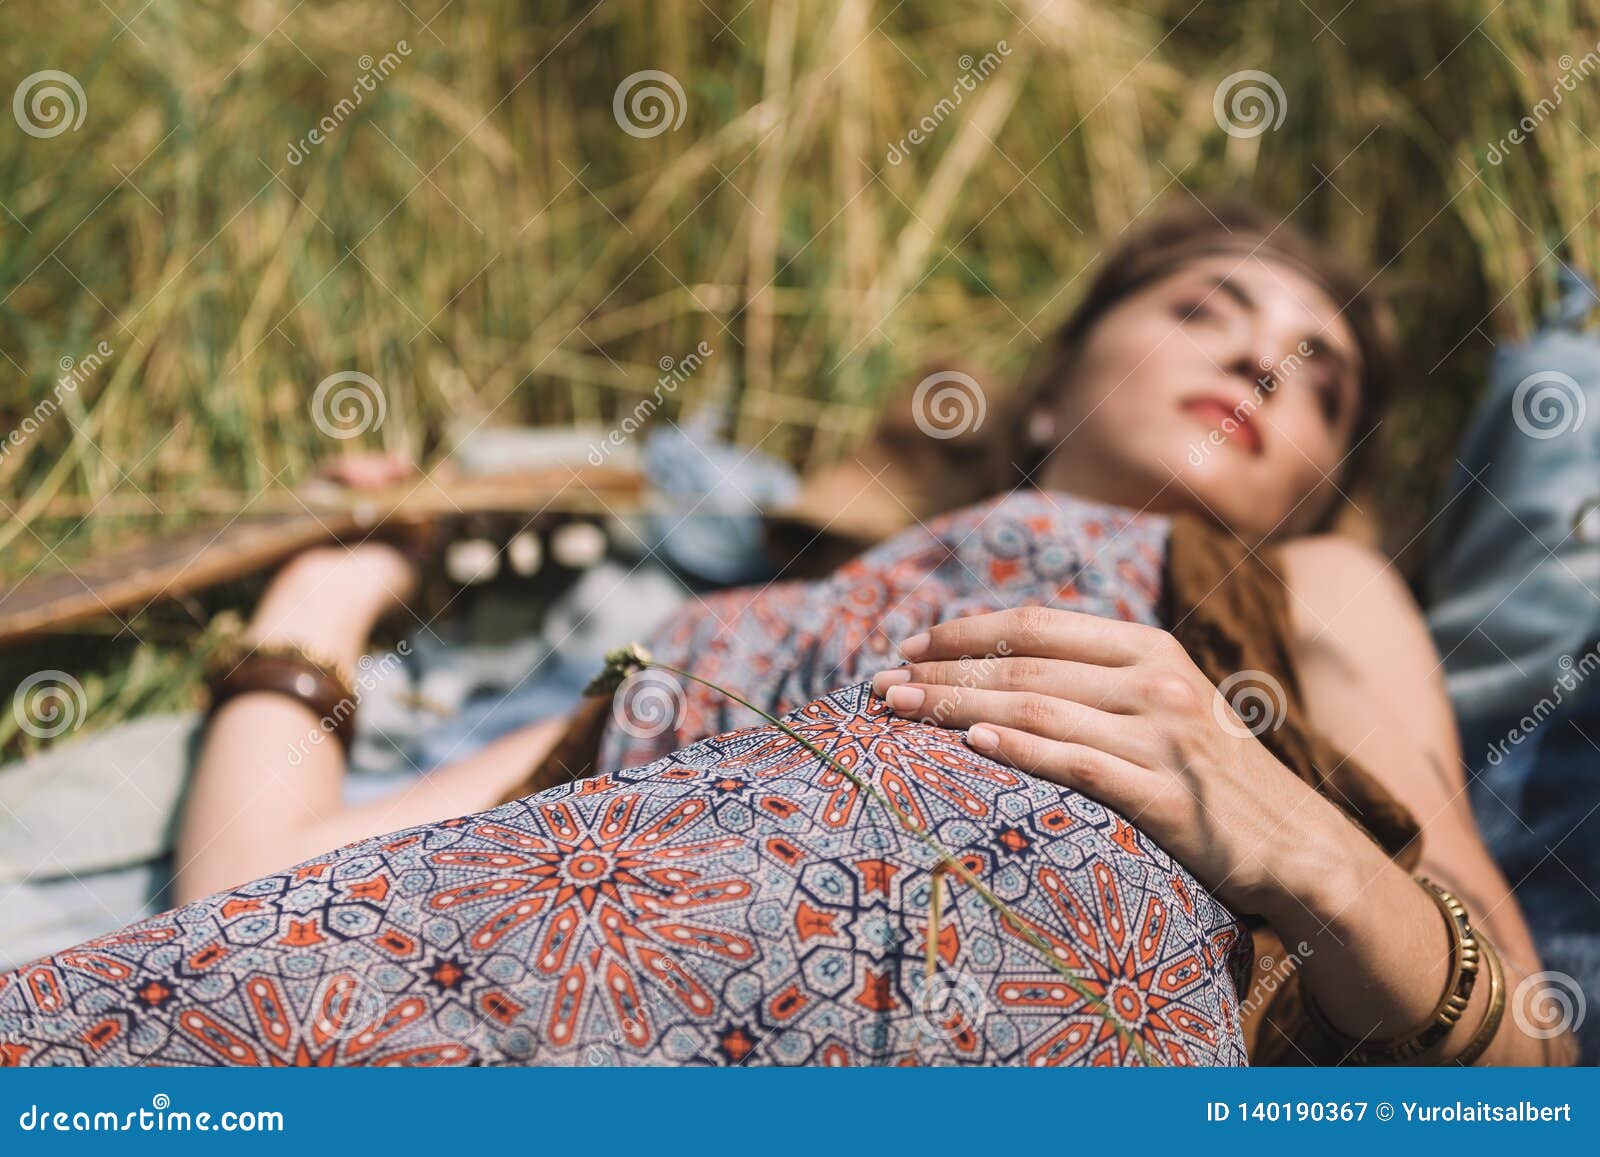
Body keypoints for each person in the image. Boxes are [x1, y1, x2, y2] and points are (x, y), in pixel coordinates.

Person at [0, 199, 1573, 1067]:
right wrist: (335, 585)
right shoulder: (734, 625)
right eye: (1208, 307)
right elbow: (266, 910)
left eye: (1320, 381)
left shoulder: (1302, 597)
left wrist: (1296, 843)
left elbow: (1519, 1044)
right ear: (1045, 382)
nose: (1262, 365)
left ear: (1315, 486)